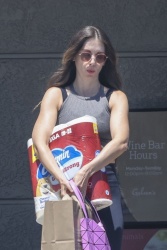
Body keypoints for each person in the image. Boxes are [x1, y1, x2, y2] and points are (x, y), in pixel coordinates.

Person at [32, 26, 129, 250]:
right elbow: (39, 140)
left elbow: (121, 142)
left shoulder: (115, 98)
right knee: (66, 246)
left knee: (107, 246)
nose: (92, 61)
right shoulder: (57, 94)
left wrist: (87, 170)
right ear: (74, 56)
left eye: (99, 56)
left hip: (103, 183)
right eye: (86, 55)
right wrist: (64, 180)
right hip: (62, 183)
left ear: (106, 61)